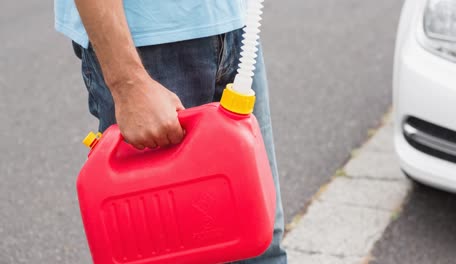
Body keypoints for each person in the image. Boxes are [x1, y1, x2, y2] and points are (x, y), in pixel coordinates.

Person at [55, 0, 287, 263]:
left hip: (235, 26)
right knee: (171, 253)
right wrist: (128, 83)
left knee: (260, 244)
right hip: (149, 43)